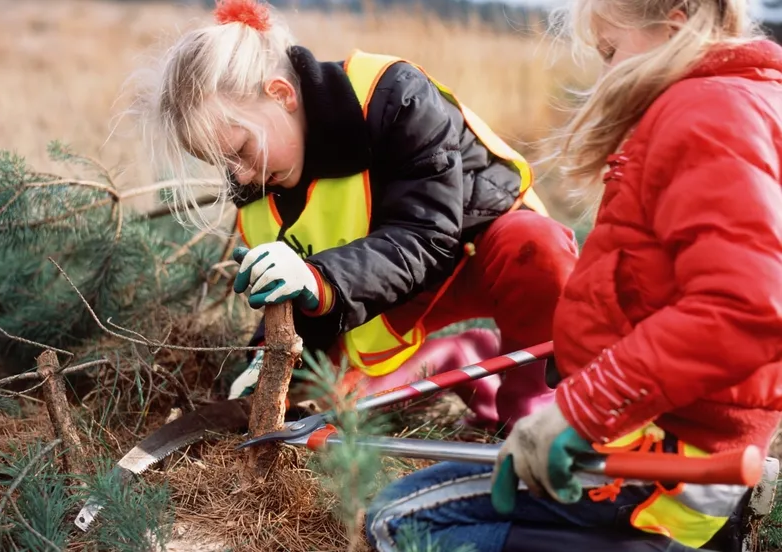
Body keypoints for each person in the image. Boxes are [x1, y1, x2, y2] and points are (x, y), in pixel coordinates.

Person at [363, 0, 782, 549]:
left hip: (658, 453)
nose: (604, 72)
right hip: (674, 436)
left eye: (610, 50)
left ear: (675, 24)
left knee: (399, 522)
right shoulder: (743, 99)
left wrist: (582, 411)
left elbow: (745, 304)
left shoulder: (707, 115)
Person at [136, 0, 579, 430]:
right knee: (324, 408)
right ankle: (452, 359)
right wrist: (264, 359)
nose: (240, 174)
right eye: (221, 162)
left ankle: (530, 405)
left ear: (282, 94)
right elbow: (298, 294)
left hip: (473, 251)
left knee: (534, 245)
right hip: (382, 294)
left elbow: (426, 234)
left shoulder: (393, 96)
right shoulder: (260, 183)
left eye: (240, 150)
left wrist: (318, 278)